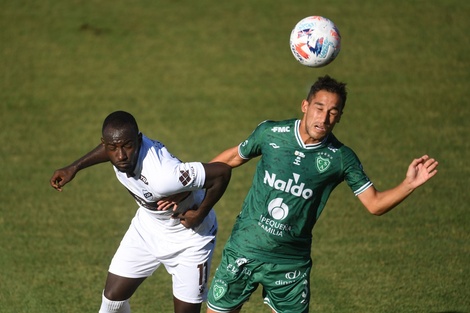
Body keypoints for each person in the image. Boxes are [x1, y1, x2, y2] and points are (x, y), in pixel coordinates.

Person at [204, 75, 438, 313]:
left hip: (290, 265)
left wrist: (409, 184)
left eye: (333, 112)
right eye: (319, 108)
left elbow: (374, 204)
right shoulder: (271, 133)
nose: (324, 118)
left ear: (340, 117)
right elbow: (232, 158)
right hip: (245, 250)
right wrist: (192, 184)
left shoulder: (341, 158)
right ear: (305, 106)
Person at [50, 111, 231, 313]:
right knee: (111, 302)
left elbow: (222, 173)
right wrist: (73, 168)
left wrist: (200, 214)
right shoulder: (118, 150)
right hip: (147, 230)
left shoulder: (163, 175)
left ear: (138, 139)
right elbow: (114, 146)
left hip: (190, 240)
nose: (120, 155)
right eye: (112, 147)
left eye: (127, 146)